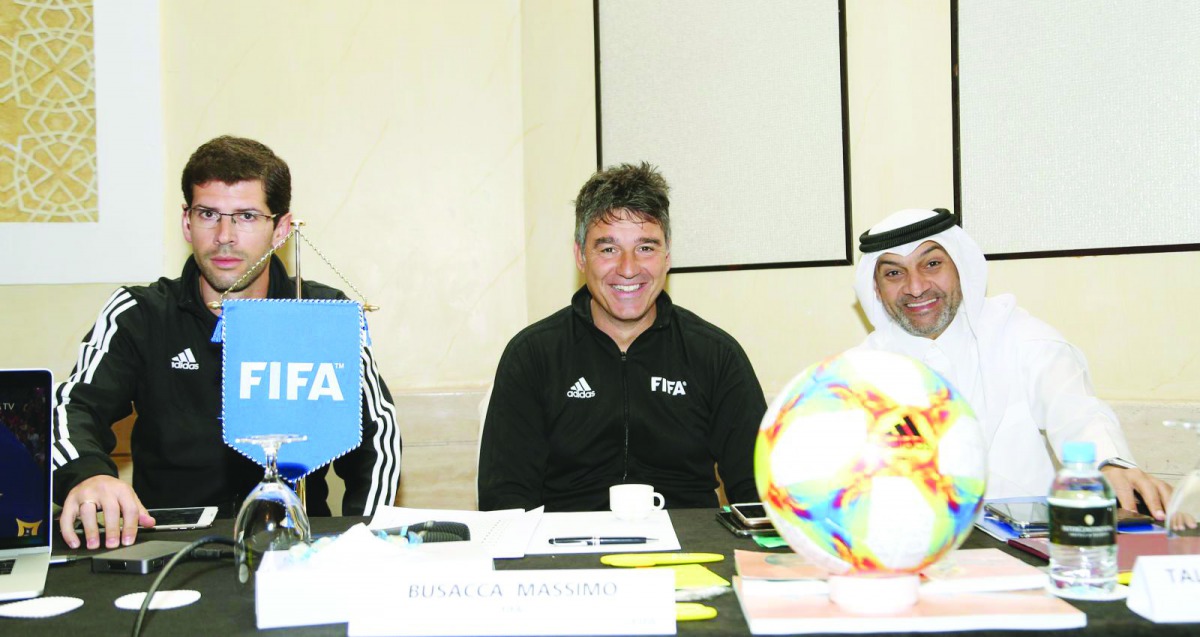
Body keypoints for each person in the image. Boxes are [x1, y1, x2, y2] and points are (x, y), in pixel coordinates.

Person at [52, 136, 402, 550]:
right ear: (187, 222)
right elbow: (72, 408)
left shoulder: (324, 311)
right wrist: (89, 474)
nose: (224, 236)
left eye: (247, 216)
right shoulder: (138, 313)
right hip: (168, 552)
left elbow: (377, 437)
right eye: (208, 214)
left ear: (282, 229)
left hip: (295, 550)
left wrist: (366, 538)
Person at [477, 162, 766, 512]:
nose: (628, 268)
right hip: (566, 557)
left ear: (667, 256)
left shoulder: (716, 355)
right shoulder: (533, 356)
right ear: (581, 255)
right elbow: (505, 501)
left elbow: (758, 496)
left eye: (646, 247)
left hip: (690, 555)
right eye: (608, 249)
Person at [854, 207, 1171, 517]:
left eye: (932, 264)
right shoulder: (858, 372)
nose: (916, 287)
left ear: (961, 268)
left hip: (1024, 551)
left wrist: (1109, 463)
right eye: (894, 273)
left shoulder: (1024, 340)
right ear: (877, 290)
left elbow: (1079, 413)